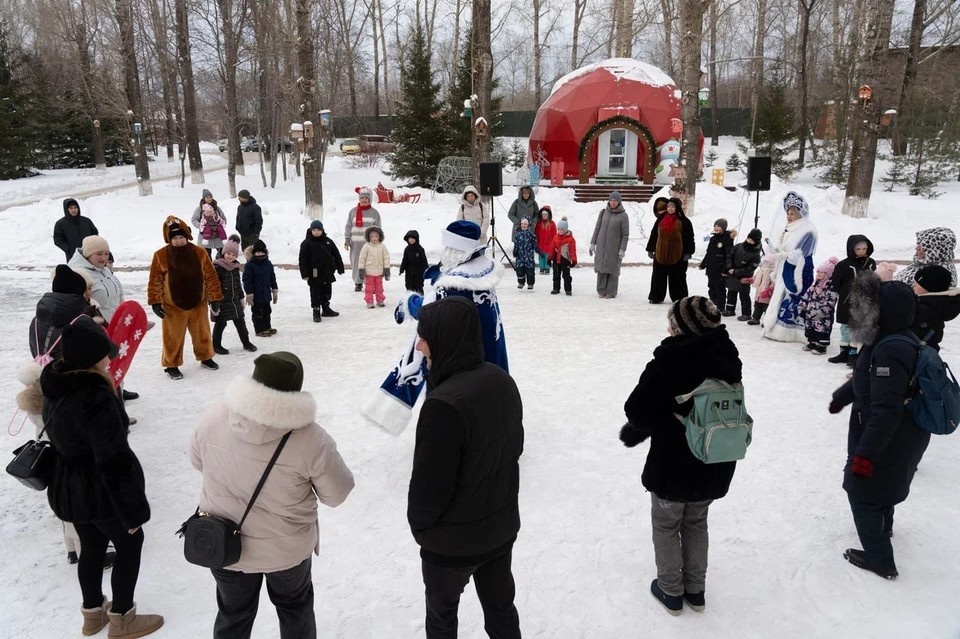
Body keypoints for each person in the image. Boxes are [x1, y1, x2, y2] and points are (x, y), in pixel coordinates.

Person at [191, 351, 355, 639]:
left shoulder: (215, 416)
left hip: (225, 543)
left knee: (233, 614)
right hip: (286, 550)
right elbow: (337, 494)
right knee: (295, 609)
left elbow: (197, 461)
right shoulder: (312, 439)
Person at [39, 315, 163, 637]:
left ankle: (93, 614)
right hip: (98, 489)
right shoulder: (96, 394)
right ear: (91, 359)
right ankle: (123, 617)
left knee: (91, 545)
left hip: (68, 486)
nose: (110, 359)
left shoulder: (55, 385)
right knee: (130, 541)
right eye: (105, 354)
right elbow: (112, 458)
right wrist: (131, 510)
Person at [408, 296, 524, 639]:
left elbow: (429, 490)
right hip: (500, 531)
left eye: (425, 336)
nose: (419, 345)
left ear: (445, 338)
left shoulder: (443, 405)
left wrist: (421, 527)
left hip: (451, 545)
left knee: (442, 619)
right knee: (502, 612)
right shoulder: (501, 380)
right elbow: (514, 449)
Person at [620, 296, 741, 614]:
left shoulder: (669, 360)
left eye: (672, 324)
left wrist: (643, 425)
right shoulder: (728, 355)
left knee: (666, 525)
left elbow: (637, 410)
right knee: (697, 522)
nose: (668, 329)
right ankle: (696, 591)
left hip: (673, 464)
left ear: (682, 327)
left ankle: (671, 590)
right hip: (715, 456)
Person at [829, 274, 931, 580]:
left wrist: (865, 456)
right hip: (900, 433)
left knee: (861, 491)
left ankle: (880, 559)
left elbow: (886, 410)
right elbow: (868, 379)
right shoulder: (893, 338)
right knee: (884, 485)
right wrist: (842, 397)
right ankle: (883, 528)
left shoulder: (890, 349)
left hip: (888, 435)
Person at [363, 221, 509, 435]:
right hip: (487, 348)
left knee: (454, 394)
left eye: (448, 247)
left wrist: (408, 303)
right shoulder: (483, 272)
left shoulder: (453, 285)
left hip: (458, 355)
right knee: (485, 391)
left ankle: (447, 430)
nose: (444, 251)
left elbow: (431, 312)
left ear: (457, 250)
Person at [148, 216, 223, 380]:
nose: (179, 241)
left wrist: (215, 297)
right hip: (173, 306)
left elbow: (211, 277)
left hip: (198, 303)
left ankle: (206, 357)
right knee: (172, 337)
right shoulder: (161, 255)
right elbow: (155, 281)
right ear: (169, 239)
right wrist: (155, 302)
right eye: (174, 238)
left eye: (181, 237)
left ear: (187, 236)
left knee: (202, 333)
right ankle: (171, 364)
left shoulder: (200, 252)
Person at [761, 191, 818, 342]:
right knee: (780, 295)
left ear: (800, 214)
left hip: (799, 270)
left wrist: (782, 255)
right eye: (788, 213)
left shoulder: (808, 230)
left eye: (792, 213)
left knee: (793, 298)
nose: (789, 216)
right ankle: (774, 327)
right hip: (785, 267)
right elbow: (784, 249)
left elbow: (801, 254)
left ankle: (791, 332)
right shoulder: (788, 228)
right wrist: (776, 251)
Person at [828, 235, 876, 365]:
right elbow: (836, 282)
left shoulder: (870, 263)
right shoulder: (843, 265)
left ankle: (853, 354)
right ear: (851, 249)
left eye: (864, 249)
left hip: (864, 302)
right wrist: (846, 293)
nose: (861, 251)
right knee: (845, 327)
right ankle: (843, 352)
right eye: (858, 249)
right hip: (847, 302)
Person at [646, 197, 695, 304]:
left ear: (677, 208)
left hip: (678, 255)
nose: (670, 209)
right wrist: (650, 249)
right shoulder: (660, 219)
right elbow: (654, 235)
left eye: (673, 207)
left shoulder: (684, 221)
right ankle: (656, 296)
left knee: (677, 278)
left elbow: (689, 238)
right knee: (658, 277)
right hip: (660, 254)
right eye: (668, 206)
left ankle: (680, 297)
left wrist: (688, 252)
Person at [212, 236, 257, 354]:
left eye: (233, 255)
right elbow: (213, 286)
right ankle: (216, 345)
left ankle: (246, 343)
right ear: (223, 253)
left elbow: (238, 284)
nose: (230, 256)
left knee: (241, 323)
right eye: (228, 254)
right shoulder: (217, 267)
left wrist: (241, 298)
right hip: (221, 302)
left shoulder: (235, 267)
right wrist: (214, 303)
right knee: (221, 324)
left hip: (235, 300)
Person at [68, 235, 124, 324]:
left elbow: (119, 297)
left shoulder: (106, 271)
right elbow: (75, 308)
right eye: (99, 254)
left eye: (106, 254)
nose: (104, 258)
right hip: (95, 328)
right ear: (88, 254)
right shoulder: (78, 274)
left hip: (115, 326)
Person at [298, 220, 344, 322]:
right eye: (314, 230)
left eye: (318, 230)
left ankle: (326, 308)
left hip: (327, 271)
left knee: (327, 291)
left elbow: (336, 254)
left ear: (322, 230)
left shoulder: (328, 241)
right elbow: (302, 260)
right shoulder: (306, 243)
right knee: (315, 291)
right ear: (311, 230)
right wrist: (304, 274)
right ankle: (316, 311)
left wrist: (340, 267)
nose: (316, 232)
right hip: (314, 272)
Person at [589, 191, 630, 299]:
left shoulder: (623, 216)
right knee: (602, 267)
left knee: (613, 269)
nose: (612, 202)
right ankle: (601, 290)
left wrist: (622, 249)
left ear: (619, 202)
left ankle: (611, 292)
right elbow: (597, 228)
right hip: (601, 247)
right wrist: (593, 243)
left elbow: (625, 235)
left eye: (615, 201)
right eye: (611, 200)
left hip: (614, 248)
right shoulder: (603, 212)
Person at [911, 264, 960, 351]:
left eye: (917, 283)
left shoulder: (925, 308)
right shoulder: (937, 305)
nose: (913, 286)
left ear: (929, 287)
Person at [797, 257, 840, 354]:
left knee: (822, 330)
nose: (819, 274)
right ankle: (812, 343)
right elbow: (806, 296)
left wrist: (822, 312)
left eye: (822, 272)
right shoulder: (814, 285)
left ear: (828, 274)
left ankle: (821, 346)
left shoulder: (831, 287)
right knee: (810, 329)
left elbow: (831, 302)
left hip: (823, 316)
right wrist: (802, 307)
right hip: (810, 313)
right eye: (818, 272)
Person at [344, 186, 382, 292]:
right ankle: (358, 282)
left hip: (369, 244)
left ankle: (371, 283)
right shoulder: (352, 212)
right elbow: (348, 226)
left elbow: (378, 228)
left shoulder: (375, 213)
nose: (364, 200)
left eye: (366, 198)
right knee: (357, 263)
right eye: (362, 198)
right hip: (356, 244)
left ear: (370, 199)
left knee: (370, 264)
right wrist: (347, 239)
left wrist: (377, 241)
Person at [243, 239, 279, 336]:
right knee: (258, 313)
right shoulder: (250, 265)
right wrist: (249, 293)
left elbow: (272, 277)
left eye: (262, 252)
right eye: (258, 253)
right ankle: (259, 330)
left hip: (266, 293)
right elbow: (247, 280)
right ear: (254, 253)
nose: (260, 254)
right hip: (256, 295)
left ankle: (267, 326)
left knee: (267, 311)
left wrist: (275, 289)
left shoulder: (268, 264)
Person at [725, 229, 762, 320]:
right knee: (731, 293)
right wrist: (729, 267)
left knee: (744, 296)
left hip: (744, 278)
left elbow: (750, 268)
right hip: (732, 275)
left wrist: (736, 271)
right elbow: (729, 256)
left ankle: (746, 314)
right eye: (748, 239)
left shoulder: (756, 255)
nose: (749, 242)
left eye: (752, 241)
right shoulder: (738, 246)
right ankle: (730, 310)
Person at [699, 219, 734, 312]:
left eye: (718, 226)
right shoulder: (713, 239)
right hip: (711, 268)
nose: (716, 228)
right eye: (715, 226)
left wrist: (725, 270)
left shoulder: (727, 239)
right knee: (711, 287)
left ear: (723, 227)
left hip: (720, 270)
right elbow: (708, 253)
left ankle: (720, 307)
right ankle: (713, 303)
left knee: (720, 288)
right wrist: (703, 263)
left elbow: (729, 256)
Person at [53, 197, 98, 261]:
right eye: (71, 208)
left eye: (75, 207)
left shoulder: (86, 221)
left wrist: (92, 246)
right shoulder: (60, 224)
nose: (73, 210)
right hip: (73, 256)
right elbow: (58, 239)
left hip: (89, 254)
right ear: (66, 209)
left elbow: (95, 233)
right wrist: (68, 249)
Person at [358, 226, 390, 308]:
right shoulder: (366, 246)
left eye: (376, 236)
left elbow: (386, 257)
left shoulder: (382, 246)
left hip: (379, 272)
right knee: (369, 288)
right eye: (372, 236)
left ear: (380, 236)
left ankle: (380, 300)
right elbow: (362, 258)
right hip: (369, 272)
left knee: (379, 287)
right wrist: (361, 269)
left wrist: (386, 269)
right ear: (368, 237)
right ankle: (369, 301)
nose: (374, 238)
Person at [192, 189, 229, 256]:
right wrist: (201, 226)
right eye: (207, 197)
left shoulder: (217, 208)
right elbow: (194, 219)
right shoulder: (200, 209)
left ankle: (220, 262)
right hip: (205, 236)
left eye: (210, 197)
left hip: (218, 235)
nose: (209, 199)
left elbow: (223, 217)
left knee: (222, 255)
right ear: (204, 198)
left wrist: (221, 224)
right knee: (206, 256)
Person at [549, 217, 577, 296]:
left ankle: (568, 289)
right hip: (556, 260)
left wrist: (574, 260)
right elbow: (552, 248)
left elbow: (572, 251)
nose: (560, 231)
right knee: (556, 275)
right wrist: (549, 258)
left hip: (565, 260)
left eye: (562, 229)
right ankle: (556, 288)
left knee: (566, 276)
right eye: (558, 229)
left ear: (565, 229)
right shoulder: (555, 237)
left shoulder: (570, 239)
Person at [746, 255, 775, 326]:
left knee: (766, 307)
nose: (765, 263)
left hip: (767, 293)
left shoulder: (773, 272)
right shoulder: (761, 270)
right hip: (759, 292)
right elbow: (756, 277)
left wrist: (770, 289)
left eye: (767, 262)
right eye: (765, 261)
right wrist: (752, 280)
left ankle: (766, 321)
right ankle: (755, 318)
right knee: (757, 306)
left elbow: (774, 282)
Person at [399, 230, 429, 295]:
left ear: (416, 239)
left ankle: (420, 299)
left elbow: (424, 261)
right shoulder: (407, 249)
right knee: (409, 287)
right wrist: (402, 269)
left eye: (413, 238)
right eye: (410, 239)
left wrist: (426, 270)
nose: (411, 240)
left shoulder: (420, 249)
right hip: (409, 273)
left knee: (418, 287)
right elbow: (404, 260)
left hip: (419, 273)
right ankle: (410, 298)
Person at [512, 217, 538, 290]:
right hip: (520, 256)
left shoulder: (531, 235)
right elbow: (516, 244)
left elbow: (535, 244)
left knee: (530, 271)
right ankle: (521, 282)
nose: (523, 225)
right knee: (520, 270)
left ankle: (530, 283)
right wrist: (515, 251)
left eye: (525, 224)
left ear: (528, 225)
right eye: (522, 224)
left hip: (529, 257)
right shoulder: (518, 235)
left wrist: (538, 251)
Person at [534, 206, 556, 274]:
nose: (544, 216)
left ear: (548, 215)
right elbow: (536, 233)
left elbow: (554, 234)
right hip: (540, 244)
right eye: (543, 214)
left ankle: (547, 268)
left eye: (546, 214)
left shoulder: (552, 223)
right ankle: (541, 268)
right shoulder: (539, 223)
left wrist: (554, 243)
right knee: (541, 257)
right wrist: (536, 241)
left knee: (547, 257)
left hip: (549, 244)